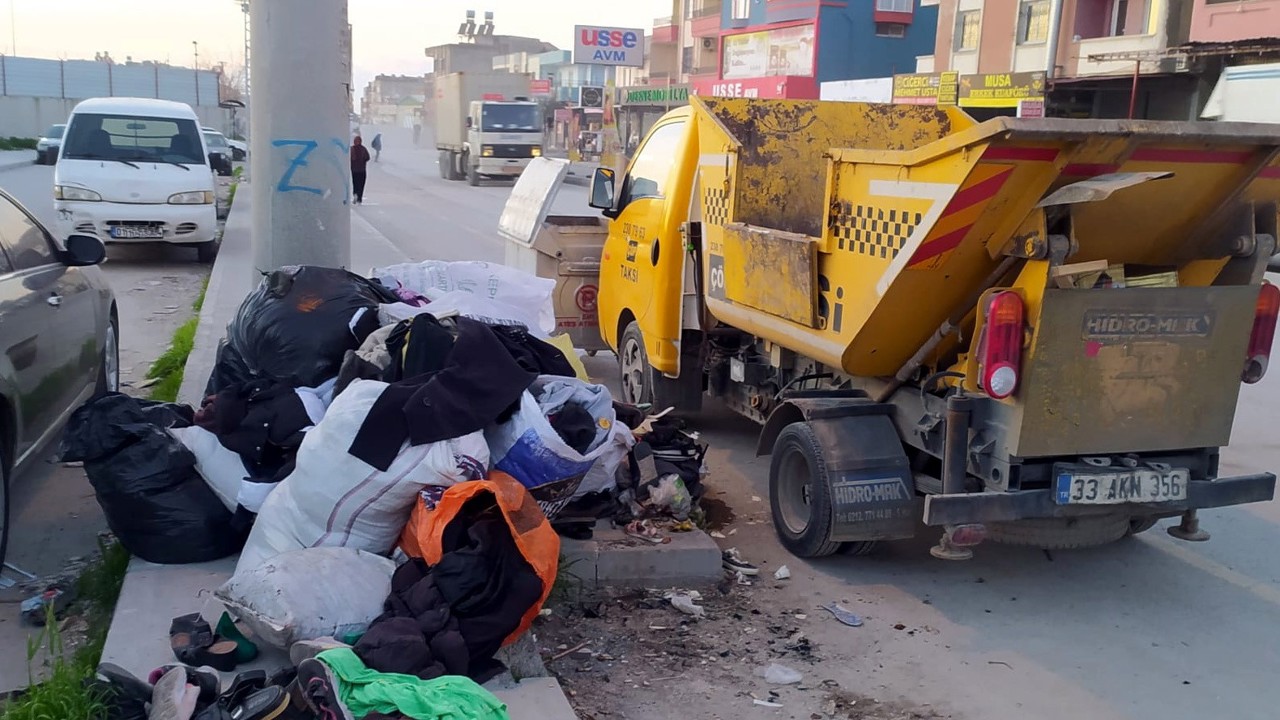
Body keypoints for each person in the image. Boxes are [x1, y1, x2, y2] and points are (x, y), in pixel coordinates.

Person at [351, 135, 371, 205]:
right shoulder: (363, 149)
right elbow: (368, 157)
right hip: (362, 170)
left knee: (355, 183)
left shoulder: (352, 149)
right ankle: (359, 199)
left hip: (354, 170)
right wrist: (363, 161)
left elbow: (349, 158)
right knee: (361, 184)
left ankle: (355, 194)